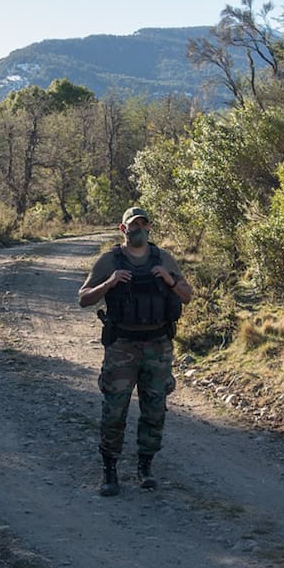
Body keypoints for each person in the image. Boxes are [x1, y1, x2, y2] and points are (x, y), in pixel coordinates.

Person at [78, 207, 193, 496]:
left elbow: (188, 295)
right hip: (122, 346)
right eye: (133, 225)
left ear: (149, 227)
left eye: (143, 224)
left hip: (158, 346)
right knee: (114, 409)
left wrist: (170, 279)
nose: (138, 229)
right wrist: (110, 282)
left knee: (154, 409)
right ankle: (110, 469)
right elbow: (83, 299)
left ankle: (145, 466)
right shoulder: (110, 260)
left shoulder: (163, 258)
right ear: (123, 229)